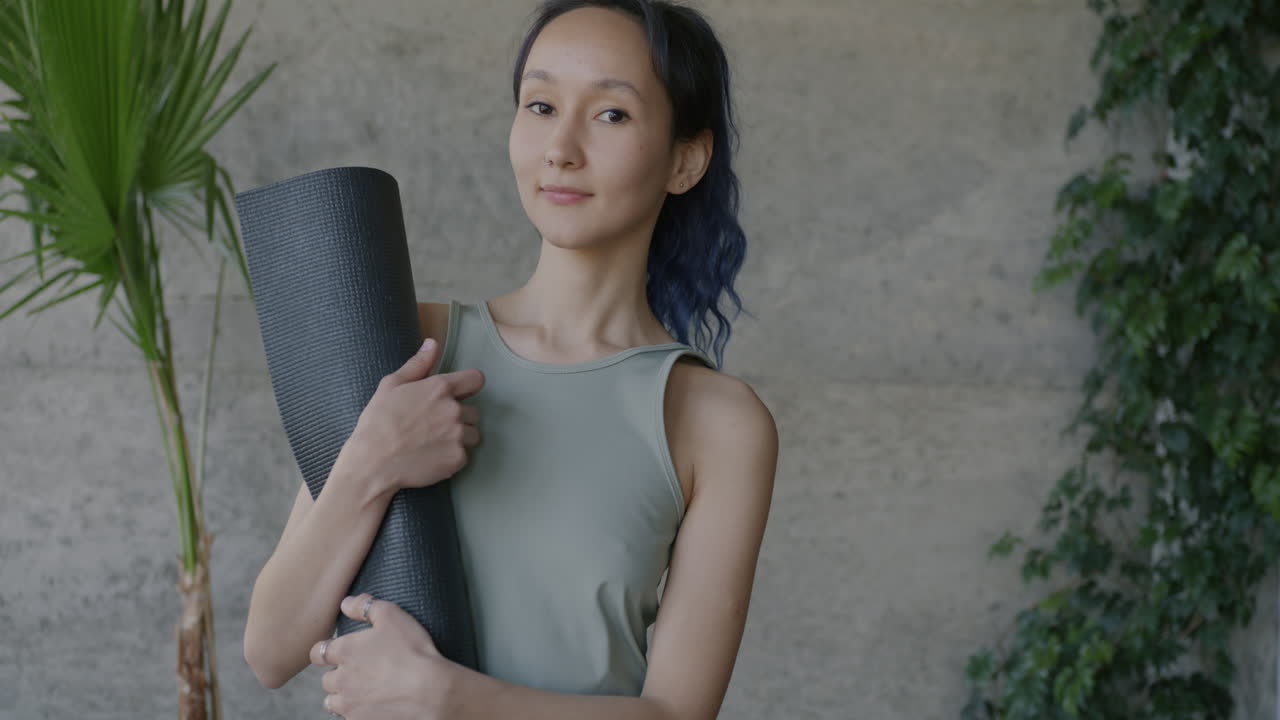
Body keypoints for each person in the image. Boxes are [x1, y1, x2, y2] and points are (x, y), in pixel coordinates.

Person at [242, 2, 778, 718]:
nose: (561, 146)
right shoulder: (411, 339)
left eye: (610, 114)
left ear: (685, 159)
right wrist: (371, 464)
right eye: (541, 104)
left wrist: (452, 698)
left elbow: (678, 715)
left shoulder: (717, 422)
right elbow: (271, 650)